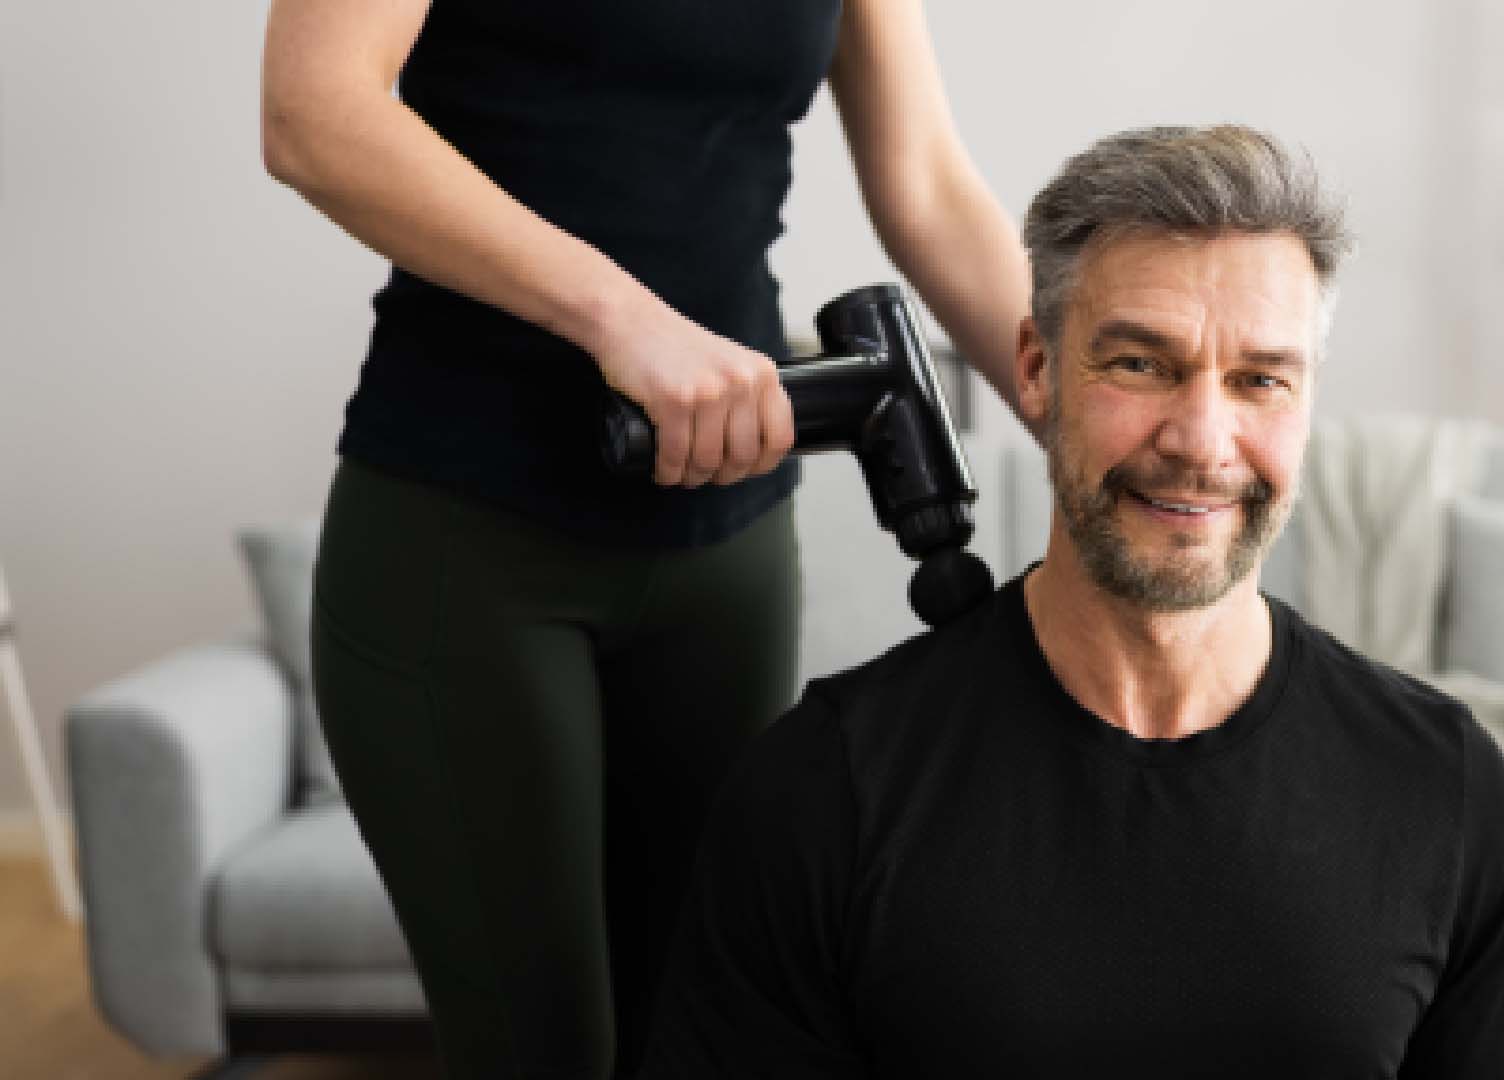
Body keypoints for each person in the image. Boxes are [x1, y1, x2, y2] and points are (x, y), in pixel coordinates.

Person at [641, 124, 1504, 1078]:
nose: (1202, 441)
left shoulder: (1441, 789)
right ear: (1035, 367)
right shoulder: (827, 789)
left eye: (1260, 379)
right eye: (1142, 365)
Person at [260, 1, 1027, 1076]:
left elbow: (930, 188)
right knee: (542, 1055)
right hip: (467, 544)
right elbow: (315, 113)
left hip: (732, 544)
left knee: (713, 1033)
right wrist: (622, 316)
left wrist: (1088, 424)